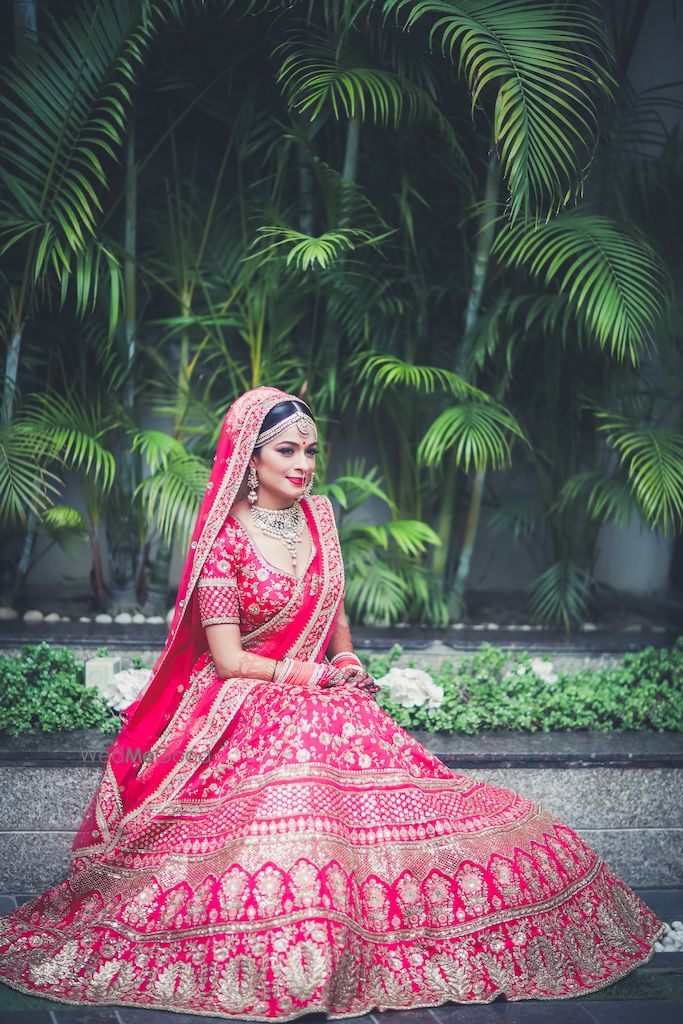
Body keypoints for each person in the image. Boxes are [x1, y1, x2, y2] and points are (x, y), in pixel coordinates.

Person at [0, 385, 664, 1019]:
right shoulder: (221, 544)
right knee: (302, 761)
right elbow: (228, 659)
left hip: (317, 690)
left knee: (403, 781)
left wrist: (343, 659)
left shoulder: (317, 518)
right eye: (286, 450)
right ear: (249, 458)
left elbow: (333, 606)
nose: (304, 464)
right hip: (242, 696)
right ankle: (300, 928)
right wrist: (310, 678)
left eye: (311, 450)